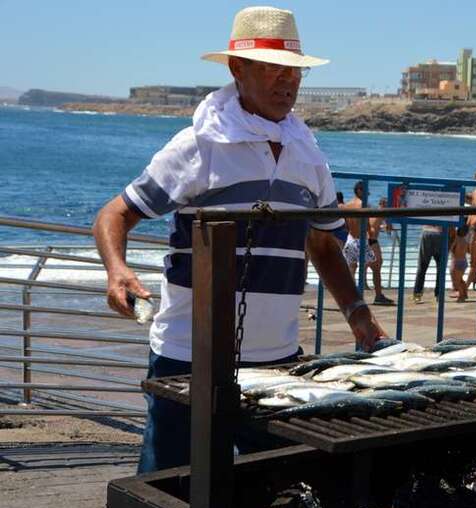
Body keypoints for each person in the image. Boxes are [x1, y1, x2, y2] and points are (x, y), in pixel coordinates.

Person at [92, 6, 385, 473]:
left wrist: (358, 314)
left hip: (277, 362)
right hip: (188, 358)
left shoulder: (308, 155)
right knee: (169, 490)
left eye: (293, 72)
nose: (285, 83)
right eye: (271, 69)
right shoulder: (198, 145)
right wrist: (117, 271)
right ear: (237, 69)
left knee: (271, 492)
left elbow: (325, 246)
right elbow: (115, 213)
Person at [342, 182, 394, 305]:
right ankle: (378, 296)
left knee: (352, 270)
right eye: (366, 192)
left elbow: (344, 226)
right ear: (359, 191)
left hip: (350, 239)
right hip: (362, 241)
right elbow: (369, 228)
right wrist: (373, 242)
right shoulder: (364, 206)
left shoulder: (346, 206)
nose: (367, 195)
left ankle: (350, 298)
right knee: (376, 268)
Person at [412, 224, 443, 303]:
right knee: (440, 268)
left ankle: (417, 294)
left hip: (427, 232)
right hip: (440, 233)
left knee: (422, 266)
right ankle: (439, 295)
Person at [450, 224, 470, 302]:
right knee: (460, 280)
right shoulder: (465, 240)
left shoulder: (456, 239)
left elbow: (452, 248)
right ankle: (465, 293)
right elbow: (468, 251)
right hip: (464, 262)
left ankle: (461, 296)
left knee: (456, 281)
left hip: (456, 262)